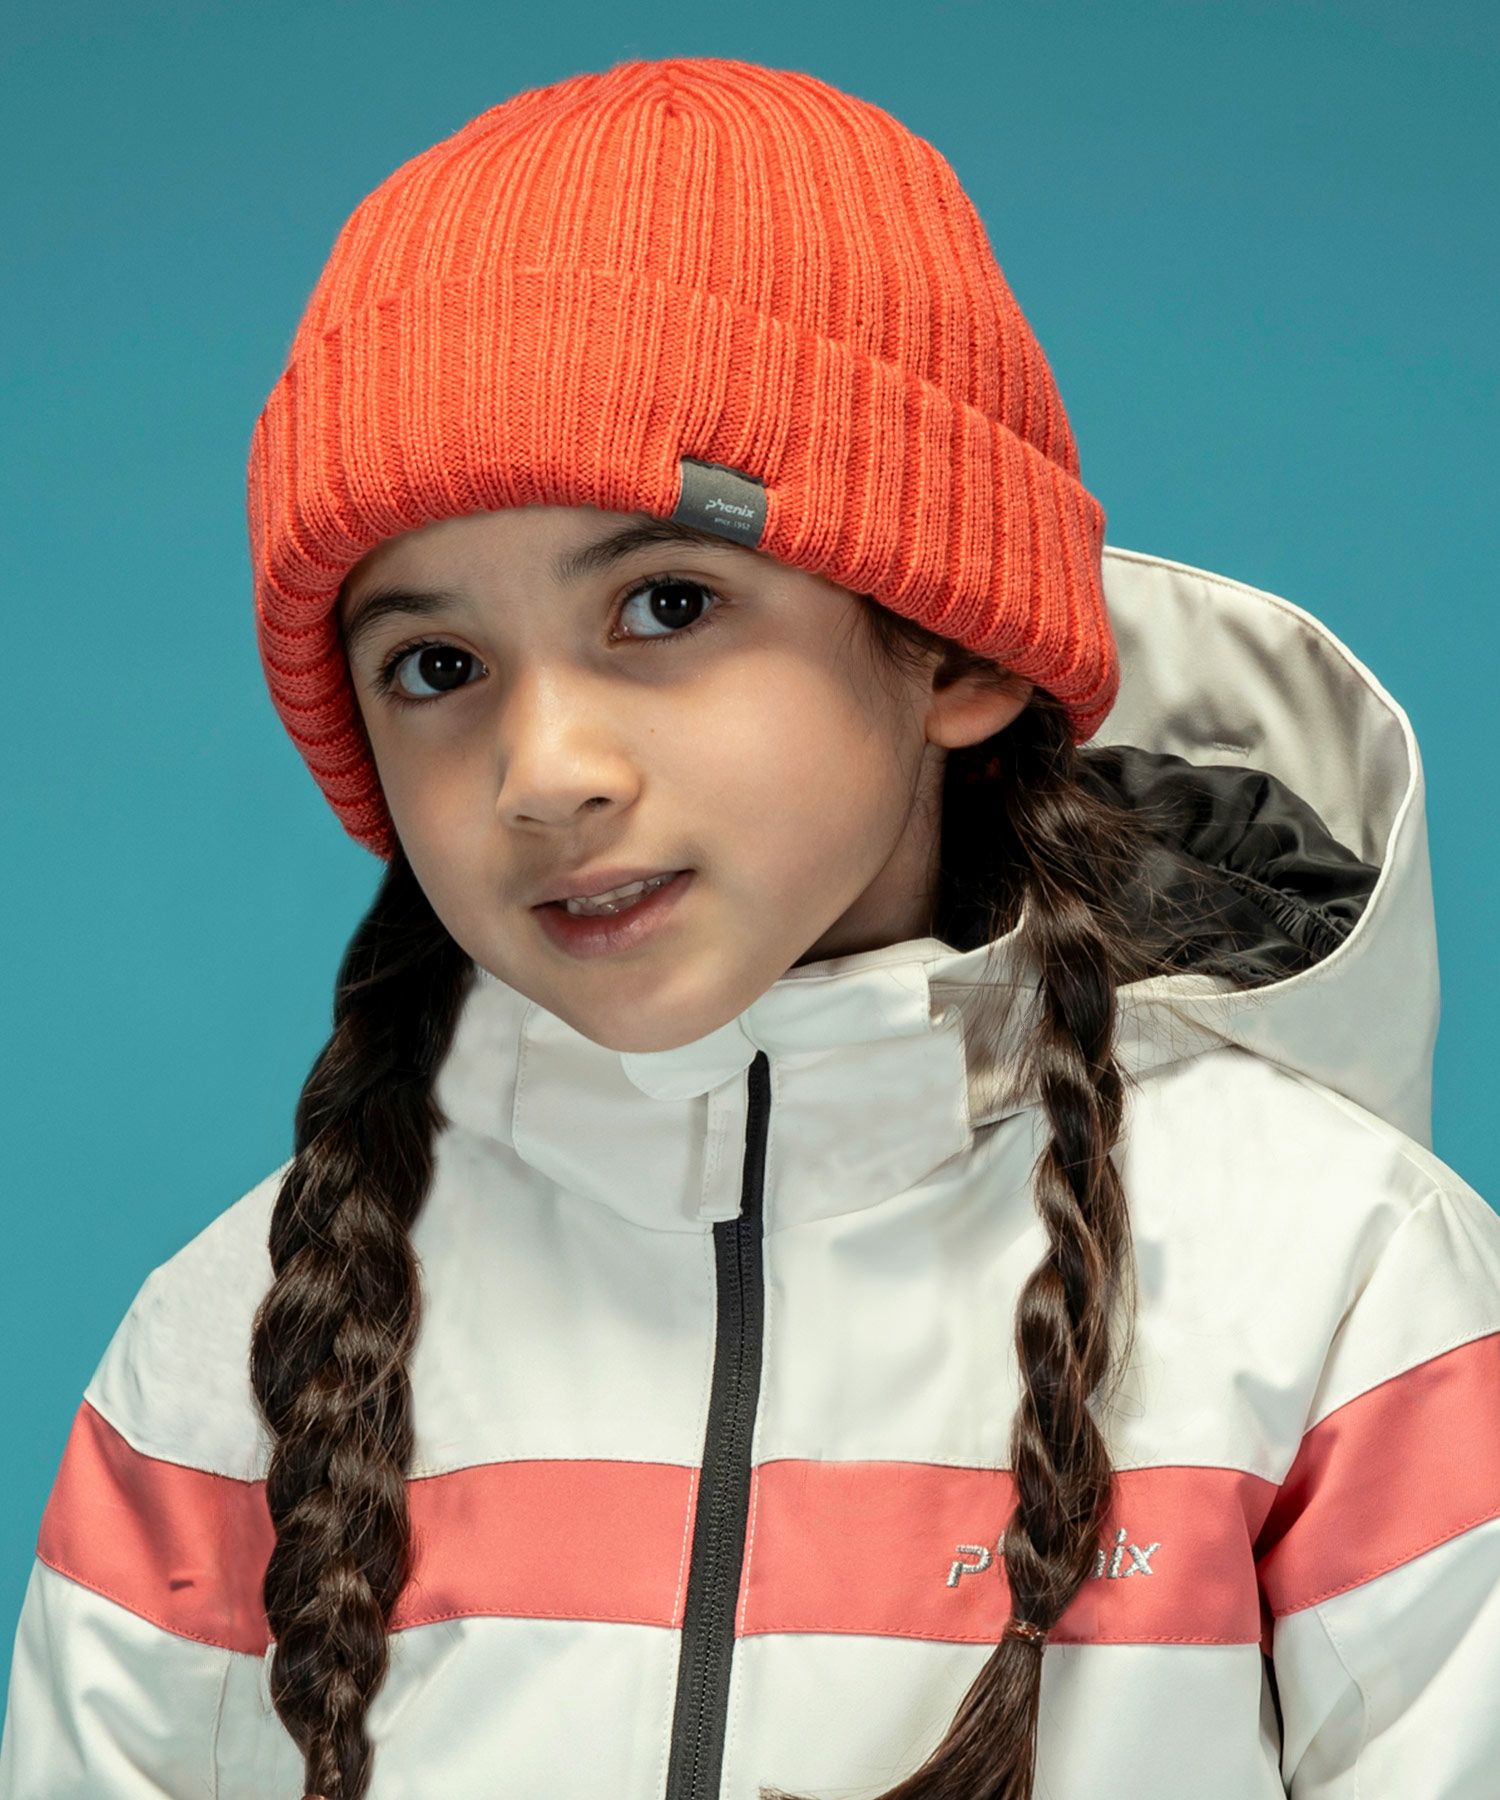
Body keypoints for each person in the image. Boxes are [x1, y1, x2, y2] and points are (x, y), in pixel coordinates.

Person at [2, 51, 1498, 1800]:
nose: (544, 772)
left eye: (666, 603)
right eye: (437, 664)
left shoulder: (1341, 1290)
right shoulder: (243, 1346)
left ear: (952, 644)